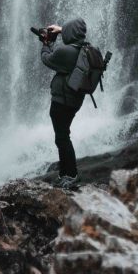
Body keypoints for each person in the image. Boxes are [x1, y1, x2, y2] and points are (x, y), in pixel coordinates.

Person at [40, 16, 87, 190]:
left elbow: (47, 59)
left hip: (62, 102)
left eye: (65, 30)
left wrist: (46, 43)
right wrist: (60, 30)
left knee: (62, 138)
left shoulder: (65, 52)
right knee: (63, 135)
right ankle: (65, 173)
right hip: (75, 101)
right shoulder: (84, 48)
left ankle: (70, 174)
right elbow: (76, 34)